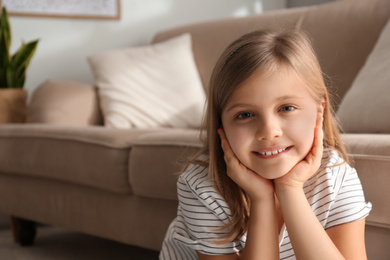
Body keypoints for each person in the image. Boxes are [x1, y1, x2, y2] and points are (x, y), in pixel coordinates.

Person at [159, 28, 372, 260]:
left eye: (287, 108)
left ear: (319, 111)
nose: (269, 132)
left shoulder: (337, 177)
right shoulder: (201, 185)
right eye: (245, 115)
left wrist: (290, 189)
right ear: (221, 124)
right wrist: (261, 199)